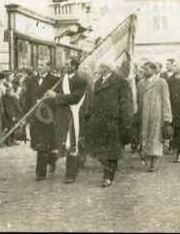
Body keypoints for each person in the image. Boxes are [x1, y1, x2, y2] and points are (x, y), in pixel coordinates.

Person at [86, 61, 133, 186]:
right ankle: (108, 171)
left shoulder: (121, 82)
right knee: (101, 151)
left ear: (106, 68)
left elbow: (126, 104)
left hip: (114, 121)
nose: (97, 68)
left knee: (112, 151)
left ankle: (108, 177)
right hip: (99, 122)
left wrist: (126, 122)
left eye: (100, 66)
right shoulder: (97, 83)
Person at [45, 56, 87, 184]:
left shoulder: (80, 80)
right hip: (61, 116)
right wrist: (50, 96)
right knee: (59, 142)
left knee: (71, 144)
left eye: (68, 64)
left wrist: (56, 95)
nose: (65, 66)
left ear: (74, 66)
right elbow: (57, 95)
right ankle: (54, 164)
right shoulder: (62, 79)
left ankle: (71, 174)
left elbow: (74, 98)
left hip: (73, 115)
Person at [24, 58, 60, 181]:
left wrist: (46, 101)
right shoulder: (31, 80)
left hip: (47, 117)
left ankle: (40, 173)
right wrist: (25, 116)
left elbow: (57, 99)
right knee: (38, 143)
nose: (39, 67)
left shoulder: (55, 80)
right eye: (38, 64)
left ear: (48, 67)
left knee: (43, 144)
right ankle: (52, 158)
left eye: (42, 65)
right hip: (35, 116)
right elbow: (27, 98)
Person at [137, 62, 173, 172]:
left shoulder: (161, 82)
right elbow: (138, 100)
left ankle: (154, 161)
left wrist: (167, 117)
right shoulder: (141, 83)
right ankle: (147, 154)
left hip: (156, 114)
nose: (144, 71)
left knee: (155, 137)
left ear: (153, 70)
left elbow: (166, 100)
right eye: (143, 69)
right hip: (144, 114)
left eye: (147, 69)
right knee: (145, 135)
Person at [2, 82, 21, 147]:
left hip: (13, 115)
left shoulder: (13, 98)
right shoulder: (4, 98)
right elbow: (6, 109)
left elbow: (16, 107)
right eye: (7, 91)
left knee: (14, 127)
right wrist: (11, 116)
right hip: (8, 116)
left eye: (10, 91)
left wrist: (15, 115)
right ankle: (7, 141)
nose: (9, 93)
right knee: (9, 128)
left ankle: (13, 139)